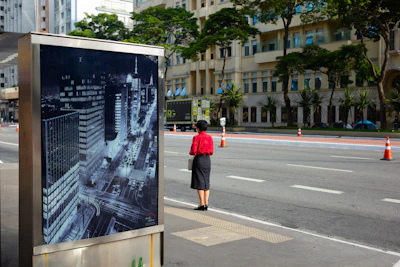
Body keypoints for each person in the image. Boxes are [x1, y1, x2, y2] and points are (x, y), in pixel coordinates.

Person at [189, 120, 214, 211]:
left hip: (199, 159)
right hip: (207, 160)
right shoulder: (209, 138)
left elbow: (193, 151)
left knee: (199, 180)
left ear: (198, 128)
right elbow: (211, 151)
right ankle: (206, 203)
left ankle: (201, 204)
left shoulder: (196, 138)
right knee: (206, 181)